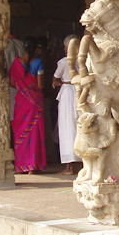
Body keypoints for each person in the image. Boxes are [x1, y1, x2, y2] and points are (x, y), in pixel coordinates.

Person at [9, 37, 46, 173]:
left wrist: (24, 88)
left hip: (21, 102)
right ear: (37, 49)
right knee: (34, 133)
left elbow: (12, 82)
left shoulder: (16, 63)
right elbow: (41, 84)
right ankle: (32, 166)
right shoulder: (38, 63)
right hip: (34, 103)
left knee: (20, 133)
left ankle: (21, 166)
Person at [52, 35, 79, 174]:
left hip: (68, 93)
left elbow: (56, 77)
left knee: (67, 128)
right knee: (78, 125)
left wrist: (57, 82)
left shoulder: (63, 62)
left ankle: (69, 166)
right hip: (80, 92)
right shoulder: (83, 60)